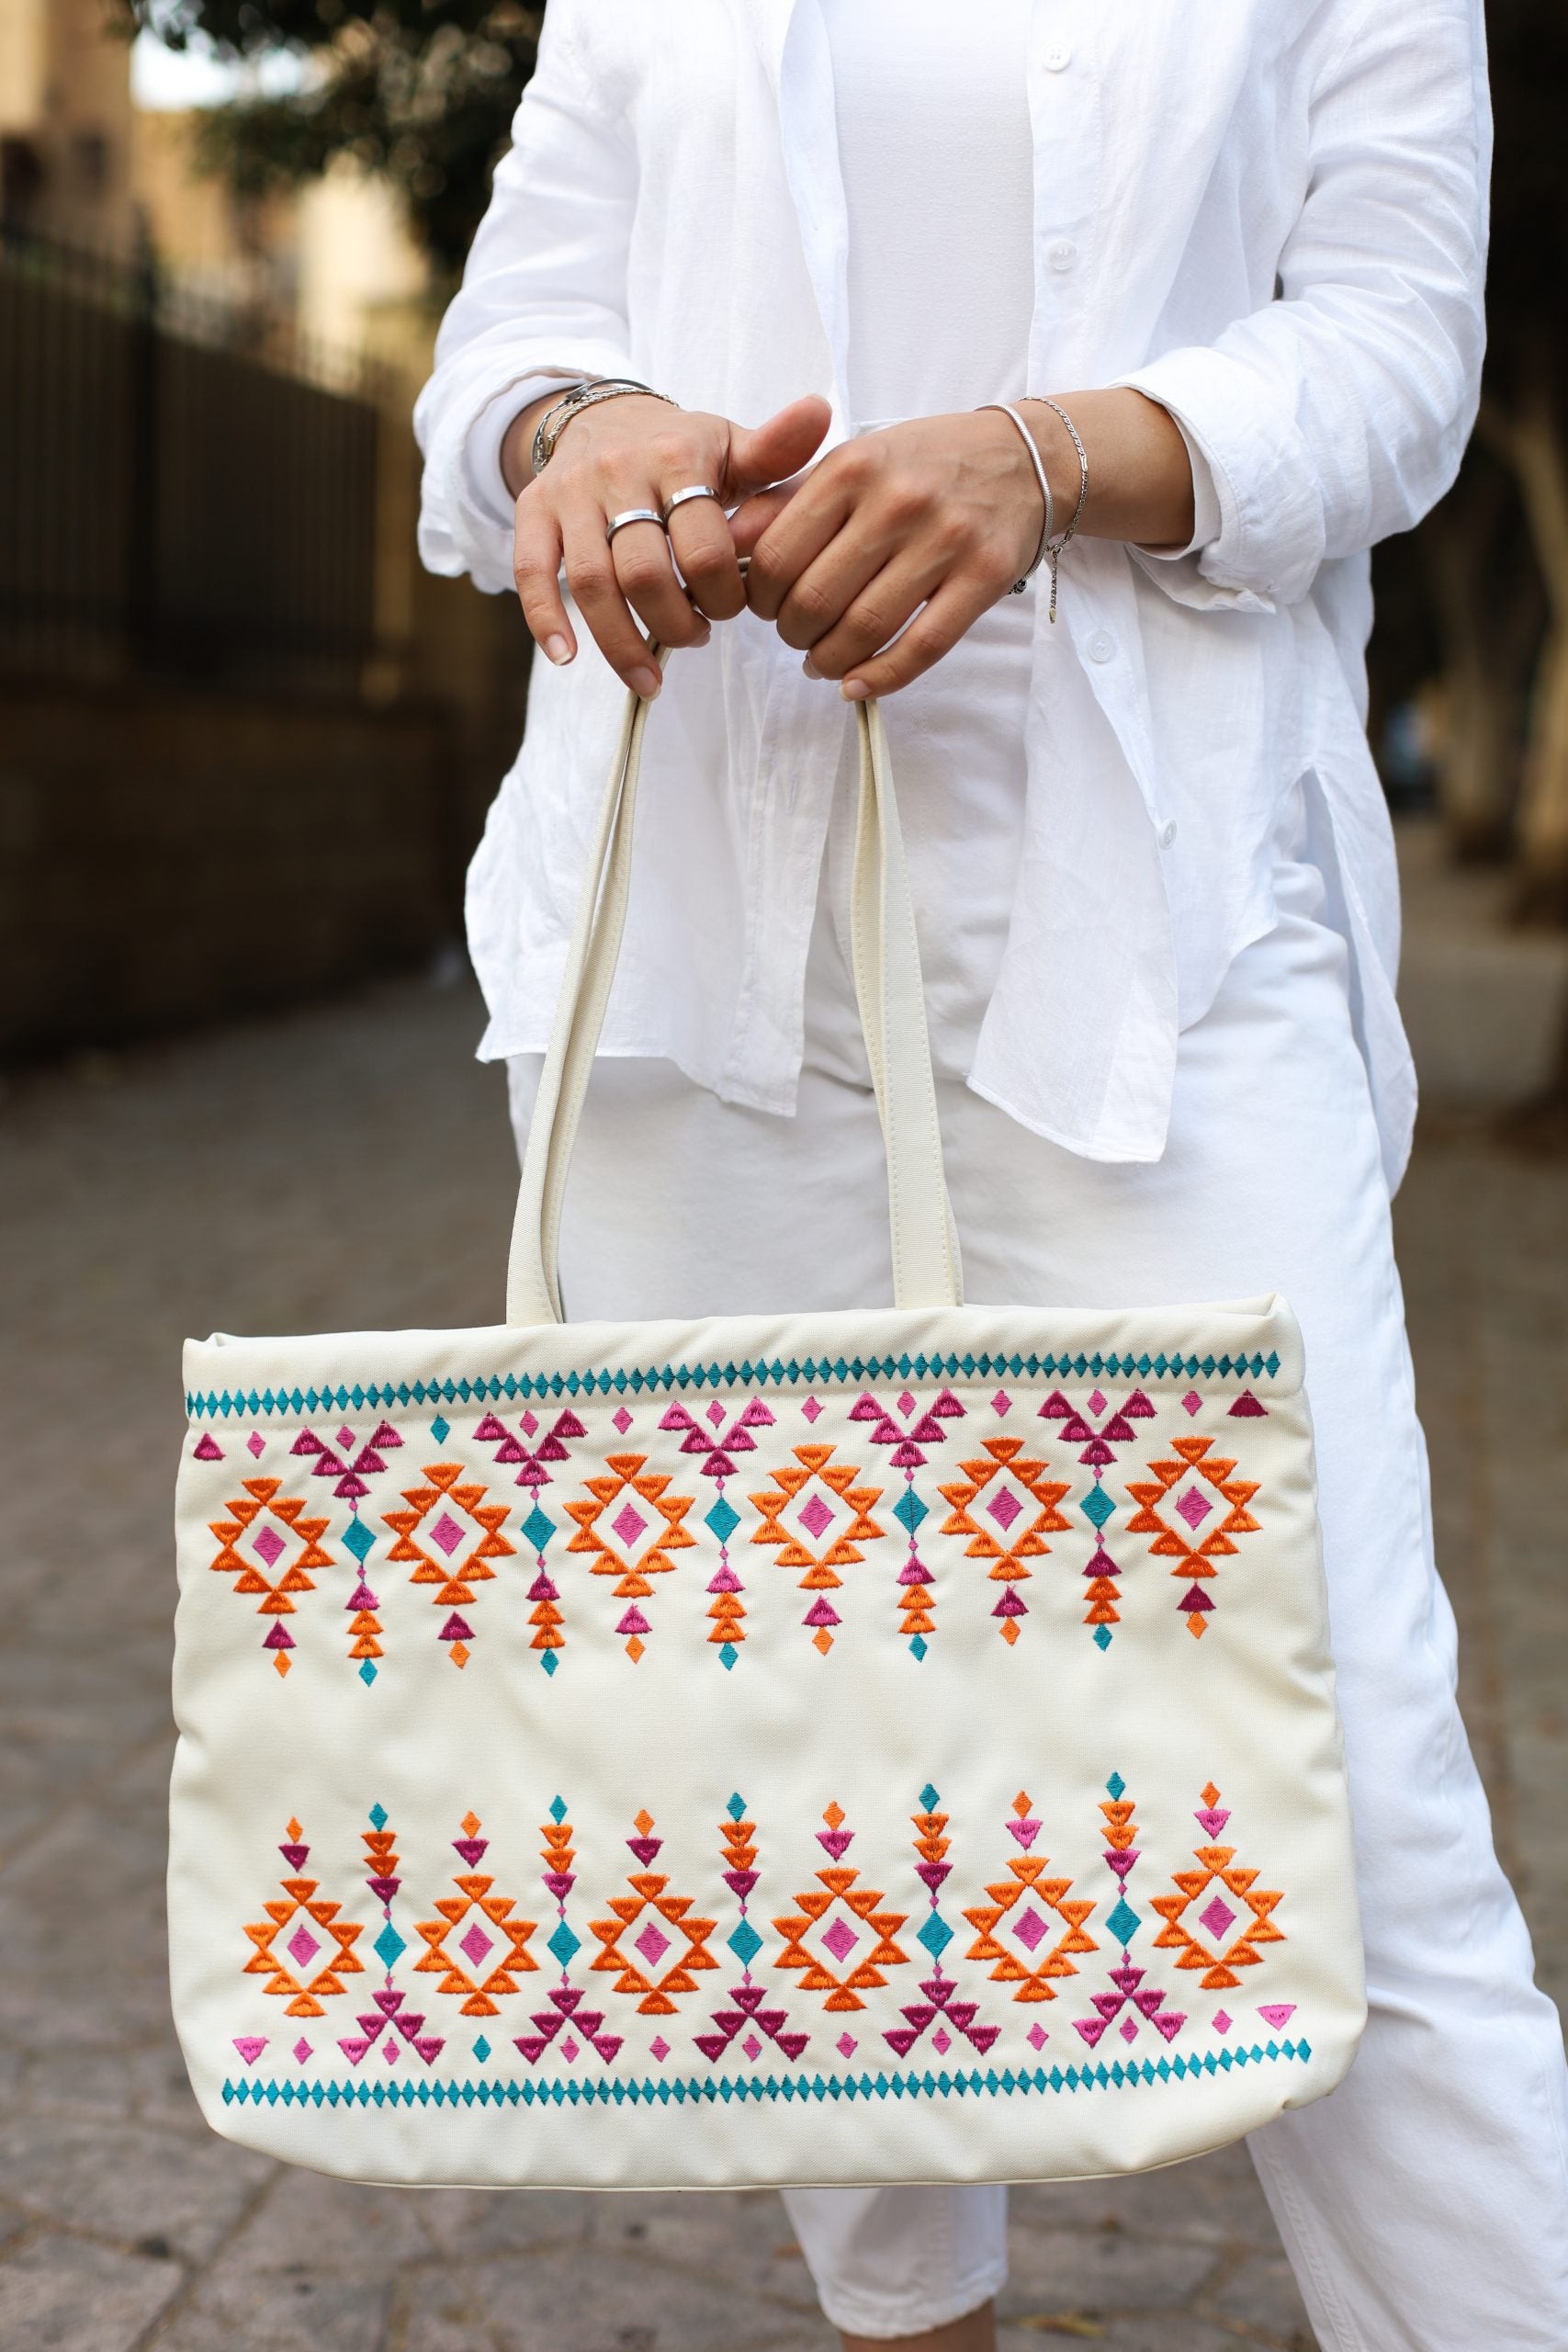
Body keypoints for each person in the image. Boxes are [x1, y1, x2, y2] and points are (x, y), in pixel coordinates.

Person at [414, 4, 1568, 2345]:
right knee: (784, 1733)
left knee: (1325, 1785)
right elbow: (501, 349)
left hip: (1140, 930)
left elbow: (1391, 356)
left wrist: (1050, 458)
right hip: (688, 942)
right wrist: (585, 426)